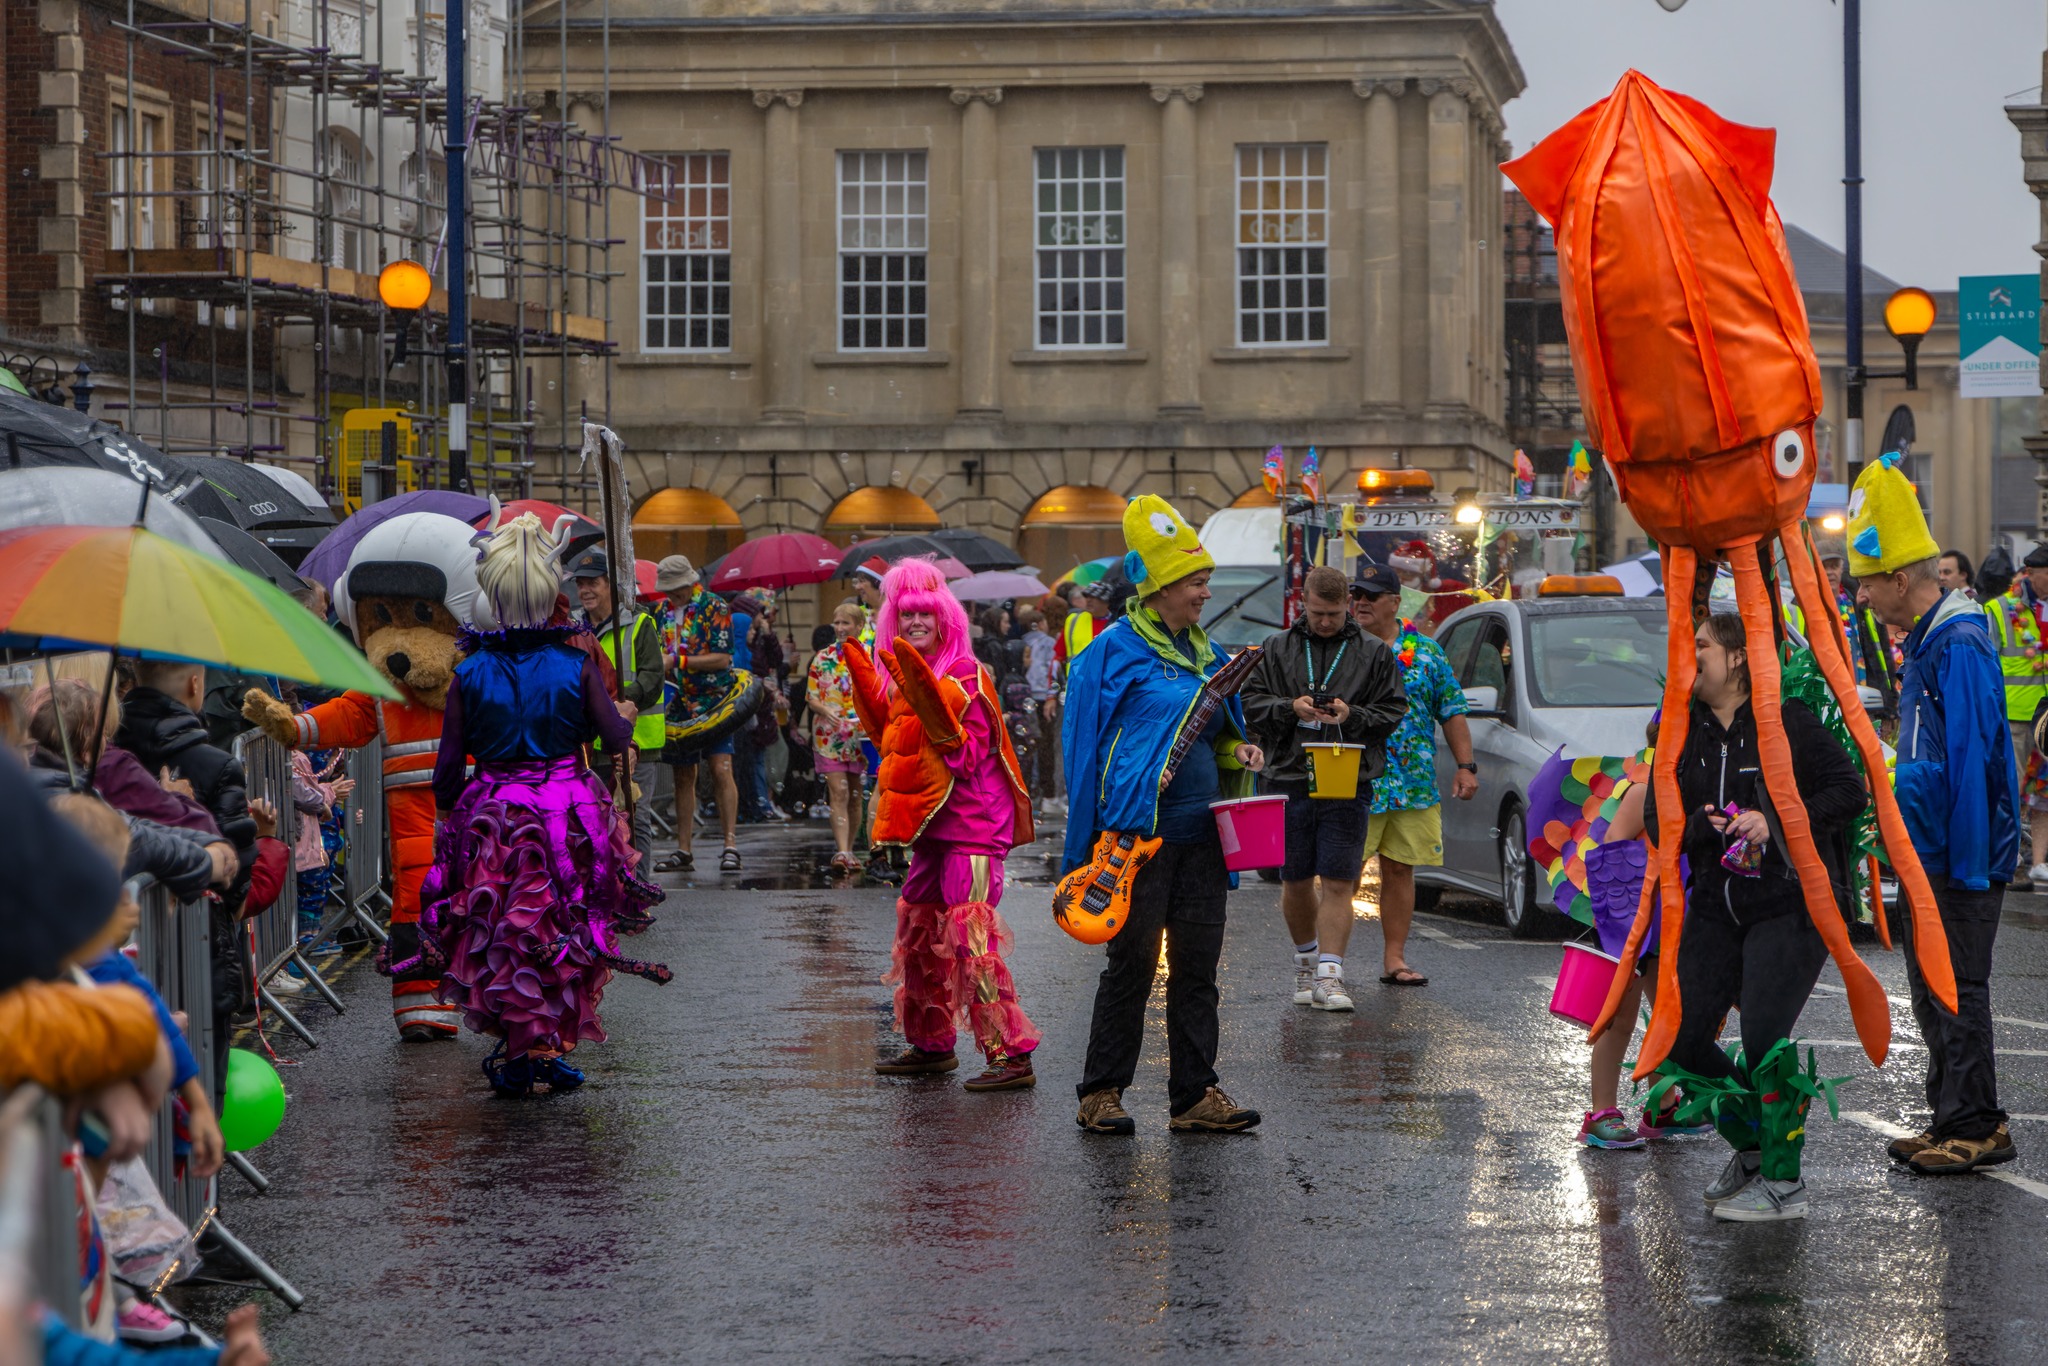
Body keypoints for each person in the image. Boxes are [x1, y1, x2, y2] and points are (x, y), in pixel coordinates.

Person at [409, 510, 672, 1096]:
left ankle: (524, 1047)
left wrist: (449, 818)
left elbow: (449, 765)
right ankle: (543, 1046)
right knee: (563, 927)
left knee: (506, 931)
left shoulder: (470, 672)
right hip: (568, 812)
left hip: (494, 813)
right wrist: (622, 721)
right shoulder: (577, 663)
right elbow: (610, 735)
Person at [1644, 611, 1869, 1221]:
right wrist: (1697, 826)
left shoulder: (1784, 722)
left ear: (1738, 658)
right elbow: (1653, 821)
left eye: (1701, 647)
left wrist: (1775, 822)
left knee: (1766, 1039)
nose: (1689, 659)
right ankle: (1753, 1147)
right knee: (1679, 1040)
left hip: (1788, 904)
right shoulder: (1678, 731)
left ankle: (1784, 1183)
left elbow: (1850, 790)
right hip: (1715, 908)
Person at [1065, 496, 1267, 1134]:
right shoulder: (1112, 651)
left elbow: (1213, 734)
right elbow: (1083, 744)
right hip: (1136, 838)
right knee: (1130, 965)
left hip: (1204, 836)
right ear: (1160, 588)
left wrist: (1241, 746)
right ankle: (1101, 1092)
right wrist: (1086, 837)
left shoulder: (1206, 652)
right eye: (1197, 582)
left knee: (1198, 969)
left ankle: (1194, 1096)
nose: (1207, 592)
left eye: (1205, 581)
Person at [1855, 458, 2020, 1174]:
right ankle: (1951, 1114)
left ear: (1900, 580)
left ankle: (1980, 1125)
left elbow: (1975, 760)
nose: (1858, 596)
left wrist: (1966, 863)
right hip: (1932, 851)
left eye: (1866, 582)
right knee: (1933, 987)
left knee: (1959, 989)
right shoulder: (1930, 642)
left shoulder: (1956, 642)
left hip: (1960, 855)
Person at [842, 558, 1041, 1091]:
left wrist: (939, 717)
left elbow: (970, 756)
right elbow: (898, 749)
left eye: (925, 614)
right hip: (932, 830)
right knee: (918, 933)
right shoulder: (904, 678)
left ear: (944, 617)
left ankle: (1009, 1056)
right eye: (905, 615)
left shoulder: (966, 675)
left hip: (974, 826)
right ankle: (931, 1045)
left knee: (973, 941)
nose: (915, 624)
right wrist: (872, 698)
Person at [1241, 564, 1407, 1010]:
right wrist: (1288, 708)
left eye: (1334, 613)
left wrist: (1352, 716)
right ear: (1303, 604)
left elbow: (1392, 711)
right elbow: (1250, 704)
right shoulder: (1276, 648)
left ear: (1347, 605)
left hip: (1348, 776)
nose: (1326, 622)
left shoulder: (1374, 652)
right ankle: (1306, 960)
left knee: (1339, 880)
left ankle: (1331, 976)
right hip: (1288, 775)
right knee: (1295, 880)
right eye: (1318, 614)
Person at [1347, 564, 1476, 986]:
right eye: (1356, 595)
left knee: (1401, 870)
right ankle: (1329, 963)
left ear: (1395, 603)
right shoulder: (1343, 648)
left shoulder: (1427, 653)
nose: (1360, 602)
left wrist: (1465, 766)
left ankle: (1394, 960)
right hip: (1353, 779)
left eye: (1370, 595)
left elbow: (1452, 711)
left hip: (1412, 784)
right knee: (1343, 872)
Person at [572, 547, 668, 857]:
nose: (585, 591)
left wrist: (612, 701)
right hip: (593, 743)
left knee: (634, 816)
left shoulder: (640, 624)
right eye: (580, 584)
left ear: (609, 586)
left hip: (637, 738)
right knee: (596, 819)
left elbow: (653, 678)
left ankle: (639, 895)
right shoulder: (574, 629)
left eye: (593, 583)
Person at [656, 555, 743, 873]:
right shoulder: (662, 611)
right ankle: (683, 849)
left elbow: (722, 658)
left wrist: (677, 662)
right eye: (669, 591)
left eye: (677, 590)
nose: (673, 596)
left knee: (721, 768)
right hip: (679, 700)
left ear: (689, 583)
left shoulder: (714, 606)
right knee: (683, 774)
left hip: (715, 699)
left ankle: (730, 844)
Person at [1985, 543, 2048, 882]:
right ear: (2031, 572)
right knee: (2011, 790)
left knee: (2044, 793)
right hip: (2015, 717)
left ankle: (2038, 861)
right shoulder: (2001, 608)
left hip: (2046, 719)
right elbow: (1986, 662)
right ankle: (2009, 859)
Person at [807, 604, 869, 871]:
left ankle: (851, 848)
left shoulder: (870, 657)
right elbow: (810, 697)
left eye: (846, 623)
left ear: (859, 627)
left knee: (855, 794)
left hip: (860, 736)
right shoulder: (822, 658)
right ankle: (842, 851)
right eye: (837, 623)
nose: (840, 628)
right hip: (829, 736)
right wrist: (824, 709)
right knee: (839, 791)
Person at [1016, 604, 1061, 815]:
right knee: (1046, 746)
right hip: (1044, 698)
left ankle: (1029, 790)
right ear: (1040, 624)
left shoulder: (1020, 643)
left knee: (1028, 744)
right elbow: (1053, 669)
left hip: (1025, 697)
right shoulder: (1049, 643)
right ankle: (1048, 794)